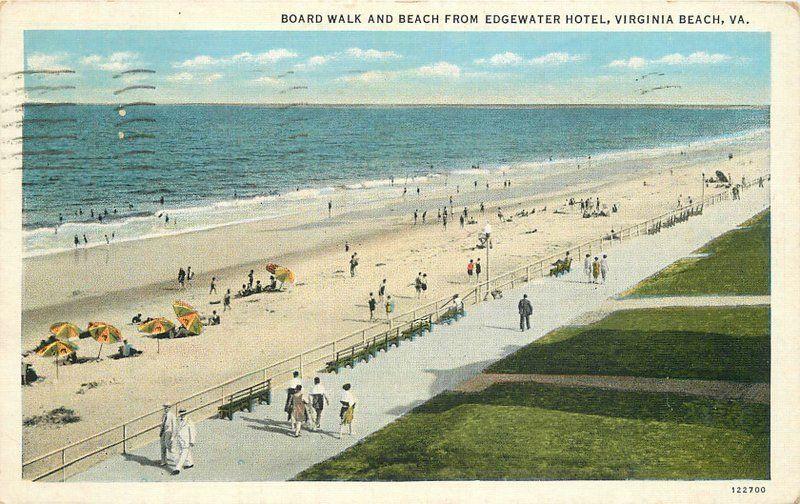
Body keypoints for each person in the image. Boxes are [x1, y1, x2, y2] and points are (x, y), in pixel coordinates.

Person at [171, 409, 196, 475]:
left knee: (183, 453)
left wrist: (192, 441)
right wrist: (173, 437)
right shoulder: (178, 420)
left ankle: (177, 469)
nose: (182, 415)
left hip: (186, 440)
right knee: (185, 452)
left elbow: (192, 431)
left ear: (186, 413)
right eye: (181, 414)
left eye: (183, 414)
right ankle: (190, 463)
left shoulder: (189, 421)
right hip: (179, 439)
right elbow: (176, 429)